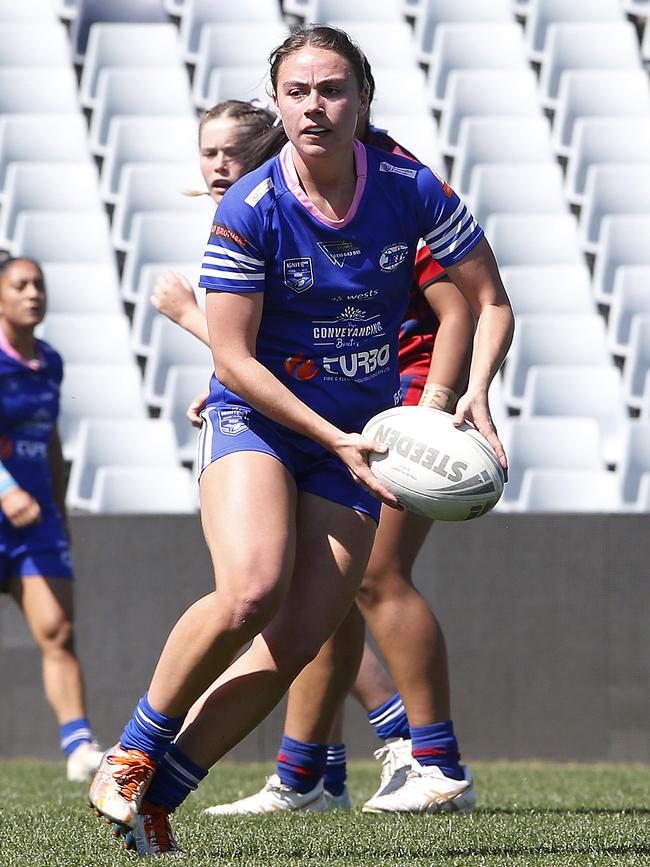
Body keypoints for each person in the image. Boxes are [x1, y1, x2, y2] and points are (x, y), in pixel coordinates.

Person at [88, 24, 513, 857]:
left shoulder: (407, 183)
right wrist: (334, 434)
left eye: (332, 89)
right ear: (279, 106)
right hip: (265, 419)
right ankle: (133, 750)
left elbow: (487, 299)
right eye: (298, 92)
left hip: (358, 434)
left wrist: (470, 399)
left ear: (362, 96)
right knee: (252, 589)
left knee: (297, 639)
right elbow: (236, 359)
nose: (315, 106)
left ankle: (159, 801)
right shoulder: (252, 206)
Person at [153, 76, 477, 816]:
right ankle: (311, 773)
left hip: (389, 402)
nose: (220, 169)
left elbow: (459, 303)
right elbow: (259, 349)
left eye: (233, 152)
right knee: (306, 599)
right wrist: (231, 379)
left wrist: (431, 405)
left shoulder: (383, 186)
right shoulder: (267, 209)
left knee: (374, 577)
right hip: (326, 409)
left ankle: (429, 756)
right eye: (208, 155)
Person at [0, 254, 103, 782]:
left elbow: (53, 441)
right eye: (20, 285)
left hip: (36, 519)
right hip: (6, 505)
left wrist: (58, 510)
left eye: (39, 284)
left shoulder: (52, 361)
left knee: (58, 630)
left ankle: (79, 746)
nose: (33, 293)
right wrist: (4, 487)